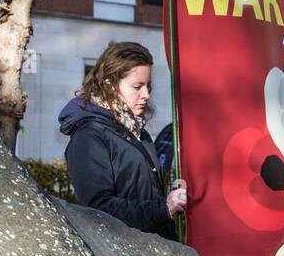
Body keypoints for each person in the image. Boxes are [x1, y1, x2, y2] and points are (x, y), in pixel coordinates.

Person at [58, 42, 187, 240]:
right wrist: (164, 208)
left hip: (156, 253)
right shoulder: (89, 135)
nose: (146, 95)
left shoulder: (137, 131)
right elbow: (98, 210)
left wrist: (173, 197)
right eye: (137, 86)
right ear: (109, 86)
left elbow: (141, 192)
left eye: (148, 86)